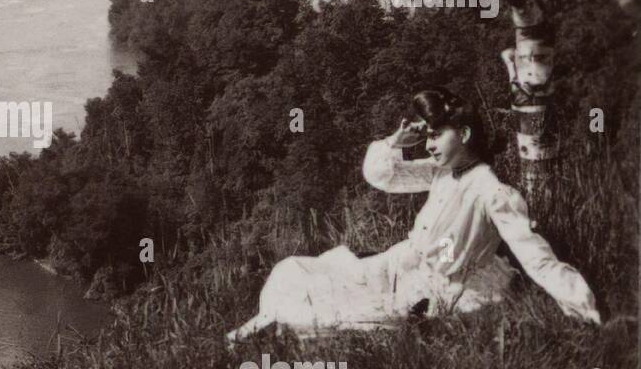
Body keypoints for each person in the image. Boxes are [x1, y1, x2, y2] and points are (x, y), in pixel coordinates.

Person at [226, 87, 600, 341]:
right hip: (408, 267)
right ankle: (270, 322)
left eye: (437, 134)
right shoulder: (443, 172)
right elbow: (383, 176)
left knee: (336, 310)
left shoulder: (492, 192)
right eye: (427, 136)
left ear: (465, 134)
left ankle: (273, 328)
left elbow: (537, 258)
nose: (430, 143)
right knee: (298, 269)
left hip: (454, 288)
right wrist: (395, 142)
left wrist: (585, 311)